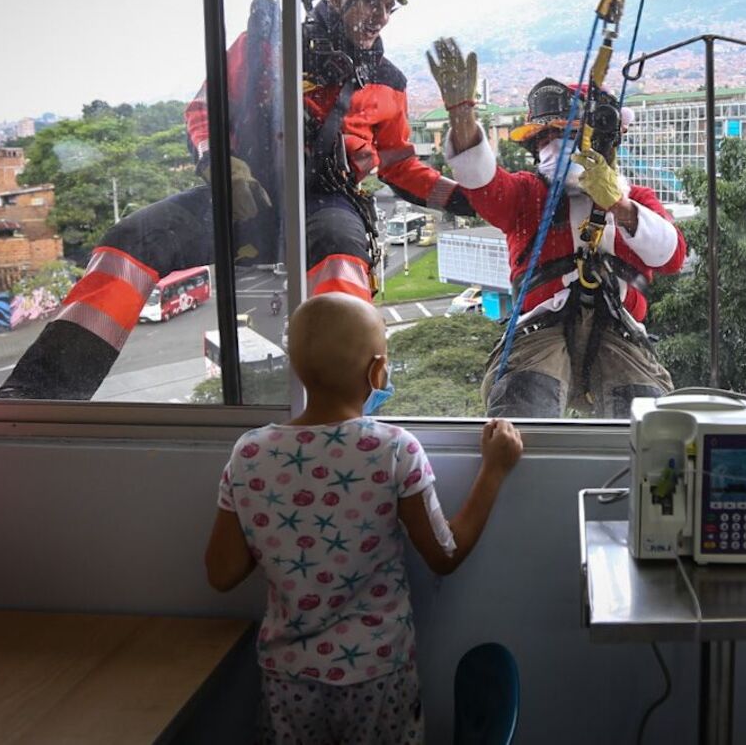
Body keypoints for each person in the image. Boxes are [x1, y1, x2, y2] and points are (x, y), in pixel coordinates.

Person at [0, 0, 470, 400]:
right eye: (371, 1)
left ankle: (346, 407)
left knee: (342, 260)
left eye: (389, 7)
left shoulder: (387, 83)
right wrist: (222, 165)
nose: (381, 18)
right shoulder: (268, 46)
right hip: (246, 193)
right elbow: (204, 110)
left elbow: (400, 165)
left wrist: (469, 196)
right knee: (129, 243)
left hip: (326, 203)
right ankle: (37, 393)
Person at [204, 292, 523, 744]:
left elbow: (222, 572)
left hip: (287, 679)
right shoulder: (392, 448)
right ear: (377, 371)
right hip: (377, 676)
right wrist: (494, 469)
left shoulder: (250, 453)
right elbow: (444, 554)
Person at [428, 38, 687, 418]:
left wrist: (619, 206)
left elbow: (670, 256)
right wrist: (462, 115)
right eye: (546, 139)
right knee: (523, 406)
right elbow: (481, 180)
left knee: (644, 422)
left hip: (620, 329)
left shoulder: (636, 200)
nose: (554, 148)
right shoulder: (526, 195)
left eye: (566, 136)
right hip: (540, 330)